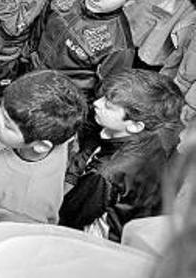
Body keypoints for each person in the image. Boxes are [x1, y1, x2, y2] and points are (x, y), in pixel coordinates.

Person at [61, 70, 184, 242]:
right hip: (145, 216)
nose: (97, 103)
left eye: (108, 106)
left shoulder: (105, 174)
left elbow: (71, 215)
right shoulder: (162, 130)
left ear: (135, 126)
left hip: (107, 236)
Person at [0, 70, 86, 228]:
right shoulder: (57, 134)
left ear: (41, 145)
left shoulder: (24, 207)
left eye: (8, 125)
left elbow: (7, 243)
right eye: (1, 111)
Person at [31, 0, 153, 99]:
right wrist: (28, 55)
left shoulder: (118, 45)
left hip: (58, 98)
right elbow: (40, 24)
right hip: (31, 70)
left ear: (129, 1)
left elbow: (106, 90)